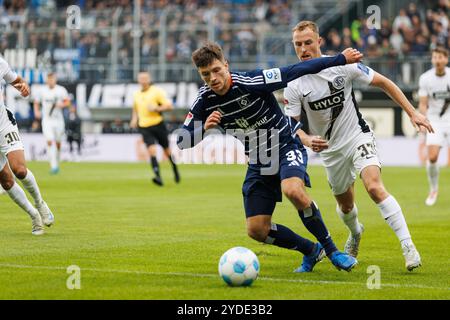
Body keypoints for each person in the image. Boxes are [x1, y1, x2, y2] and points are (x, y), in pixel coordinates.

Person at [177, 42, 363, 272]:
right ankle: (312, 250)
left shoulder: (252, 81)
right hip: (259, 161)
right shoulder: (204, 99)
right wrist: (203, 128)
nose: (213, 78)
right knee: (256, 230)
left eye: (217, 70)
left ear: (226, 65)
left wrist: (340, 59)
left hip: (286, 146)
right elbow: (182, 141)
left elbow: (295, 70)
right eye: (206, 75)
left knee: (293, 190)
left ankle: (333, 251)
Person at [283, 21, 434, 271]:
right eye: (298, 44)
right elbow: (293, 125)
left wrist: (413, 113)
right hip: (330, 151)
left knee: (374, 187)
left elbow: (384, 82)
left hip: (357, 136)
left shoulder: (343, 65)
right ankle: (355, 232)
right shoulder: (295, 83)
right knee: (346, 206)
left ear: (319, 42)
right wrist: (308, 140)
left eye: (308, 42)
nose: (303, 49)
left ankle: (408, 246)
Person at [0, 56, 54, 235]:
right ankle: (34, 216)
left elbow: (16, 81)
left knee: (20, 170)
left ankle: (40, 203)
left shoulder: (0, 63)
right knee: (6, 181)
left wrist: (23, 87)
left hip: (3, 125)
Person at [130, 72, 180, 186]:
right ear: (138, 80)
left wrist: (157, 108)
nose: (143, 80)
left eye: (145, 78)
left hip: (158, 125)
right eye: (141, 78)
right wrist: (134, 119)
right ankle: (158, 177)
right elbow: (135, 108)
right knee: (151, 151)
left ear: (149, 79)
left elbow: (169, 106)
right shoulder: (136, 94)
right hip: (144, 126)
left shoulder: (156, 91)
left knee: (167, 151)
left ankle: (175, 168)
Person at [418, 47, 450, 206]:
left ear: (446, 59)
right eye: (435, 57)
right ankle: (433, 189)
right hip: (435, 120)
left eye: (440, 57)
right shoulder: (425, 78)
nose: (437, 60)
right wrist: (424, 120)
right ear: (432, 59)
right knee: (432, 157)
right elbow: (423, 104)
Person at [33, 72, 71, 174]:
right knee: (49, 141)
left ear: (55, 80)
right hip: (47, 120)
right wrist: (36, 112)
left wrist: (61, 105)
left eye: (52, 79)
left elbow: (68, 102)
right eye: (49, 79)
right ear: (47, 80)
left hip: (58, 120)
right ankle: (53, 166)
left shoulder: (61, 90)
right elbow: (36, 102)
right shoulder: (42, 91)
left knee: (58, 143)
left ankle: (56, 162)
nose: (50, 81)